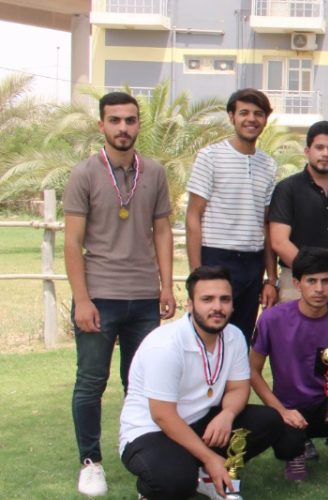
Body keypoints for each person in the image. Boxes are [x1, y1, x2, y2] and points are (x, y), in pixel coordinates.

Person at [66, 91, 176, 497]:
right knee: (91, 382)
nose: (123, 128)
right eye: (114, 120)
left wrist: (166, 285)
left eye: (130, 120)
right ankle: (90, 462)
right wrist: (82, 299)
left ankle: (146, 453)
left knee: (142, 383)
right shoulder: (84, 174)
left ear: (138, 125)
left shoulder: (155, 172)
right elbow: (72, 242)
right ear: (102, 125)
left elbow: (162, 231)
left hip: (144, 297)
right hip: (99, 296)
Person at [118, 266, 292, 500]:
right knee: (176, 481)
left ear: (232, 304)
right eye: (207, 299)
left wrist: (227, 414)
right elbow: (162, 415)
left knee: (268, 420)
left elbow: (239, 388)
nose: (217, 307)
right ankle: (155, 489)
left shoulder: (234, 336)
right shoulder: (165, 345)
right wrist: (210, 457)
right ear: (190, 304)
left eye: (224, 299)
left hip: (200, 421)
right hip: (151, 431)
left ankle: (207, 477)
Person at [248, 247, 328, 492]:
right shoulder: (272, 319)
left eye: (325, 281)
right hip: (291, 411)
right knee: (288, 446)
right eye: (311, 281)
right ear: (297, 283)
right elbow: (253, 370)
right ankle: (296, 452)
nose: (319, 289)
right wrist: (281, 410)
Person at [186, 89, 279, 342]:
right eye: (244, 113)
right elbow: (193, 217)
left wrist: (271, 278)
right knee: (207, 336)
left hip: (253, 262)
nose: (251, 119)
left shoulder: (269, 165)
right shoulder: (210, 157)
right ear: (231, 116)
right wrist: (197, 275)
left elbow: (266, 224)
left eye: (258, 114)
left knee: (240, 339)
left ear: (265, 119)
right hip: (216, 257)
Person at [268, 121, 328, 313]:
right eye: (319, 147)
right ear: (307, 151)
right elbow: (279, 241)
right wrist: (313, 276)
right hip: (297, 283)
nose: (325, 153)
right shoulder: (287, 189)